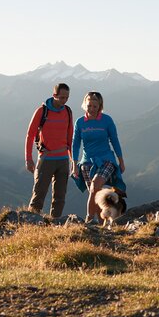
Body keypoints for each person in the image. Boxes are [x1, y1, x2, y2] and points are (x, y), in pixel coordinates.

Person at [72, 91, 125, 222]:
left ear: (100, 106)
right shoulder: (80, 122)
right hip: (87, 162)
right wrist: (74, 164)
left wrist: (120, 161)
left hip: (106, 159)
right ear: (85, 105)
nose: (92, 109)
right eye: (89, 105)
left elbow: (114, 140)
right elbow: (75, 144)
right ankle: (102, 225)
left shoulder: (107, 120)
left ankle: (88, 220)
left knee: (95, 186)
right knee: (94, 192)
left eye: (95, 106)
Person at [25, 83, 73, 218]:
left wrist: (72, 160)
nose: (64, 101)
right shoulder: (42, 111)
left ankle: (55, 222)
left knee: (60, 197)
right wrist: (28, 158)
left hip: (63, 160)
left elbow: (70, 137)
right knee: (39, 194)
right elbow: (30, 135)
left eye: (67, 98)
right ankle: (31, 223)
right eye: (62, 97)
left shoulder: (68, 112)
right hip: (46, 159)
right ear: (54, 95)